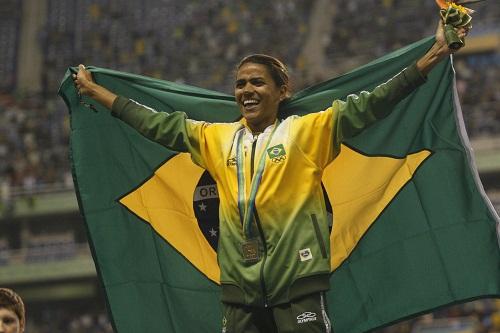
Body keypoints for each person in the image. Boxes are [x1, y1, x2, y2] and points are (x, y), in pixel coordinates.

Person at [73, 21, 468, 333]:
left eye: (257, 82)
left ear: (282, 91)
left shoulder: (307, 131)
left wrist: (434, 54)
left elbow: (375, 102)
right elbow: (154, 123)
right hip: (239, 290)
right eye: (240, 83)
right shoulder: (215, 137)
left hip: (298, 282)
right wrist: (96, 94)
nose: (246, 90)